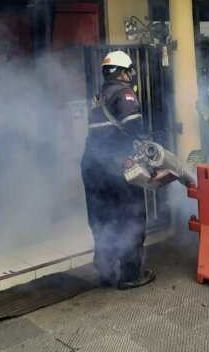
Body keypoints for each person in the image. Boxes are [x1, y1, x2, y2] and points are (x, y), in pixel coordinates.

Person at [81, 50, 155, 289]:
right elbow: (135, 128)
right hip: (116, 168)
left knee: (103, 219)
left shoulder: (97, 98)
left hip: (92, 167)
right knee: (130, 217)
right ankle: (130, 276)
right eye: (129, 71)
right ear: (121, 73)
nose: (131, 75)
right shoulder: (125, 94)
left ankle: (106, 272)